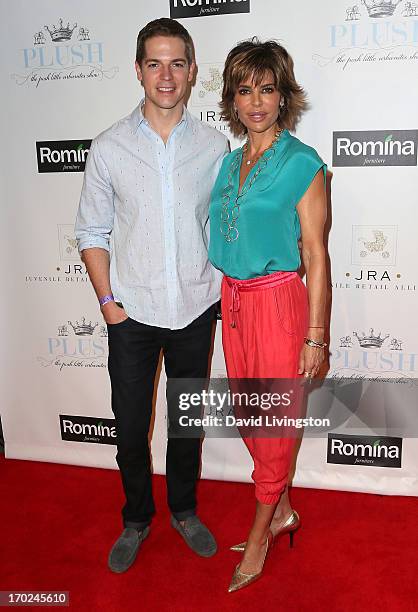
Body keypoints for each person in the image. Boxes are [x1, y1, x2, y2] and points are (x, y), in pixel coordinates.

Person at [75, 17, 228, 573]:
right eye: (155, 63)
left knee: (188, 424)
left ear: (191, 73)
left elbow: (223, 228)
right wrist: (108, 304)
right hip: (132, 314)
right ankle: (137, 518)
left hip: (195, 308)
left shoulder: (215, 146)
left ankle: (184, 510)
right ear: (138, 70)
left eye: (177, 63)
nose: (166, 75)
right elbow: (91, 233)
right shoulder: (109, 147)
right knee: (129, 425)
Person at [209, 38, 327, 592]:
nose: (255, 101)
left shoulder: (304, 164)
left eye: (267, 88)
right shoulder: (230, 162)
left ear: (284, 95)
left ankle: (259, 534)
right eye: (244, 89)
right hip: (233, 305)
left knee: (276, 425)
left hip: (279, 305)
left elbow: (315, 255)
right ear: (233, 99)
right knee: (254, 418)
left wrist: (317, 336)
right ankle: (282, 509)